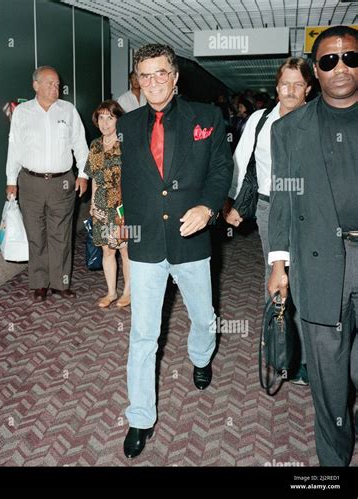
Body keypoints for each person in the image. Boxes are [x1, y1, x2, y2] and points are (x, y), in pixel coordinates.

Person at [118, 43, 233, 459]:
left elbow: (222, 169)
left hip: (191, 240)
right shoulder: (127, 126)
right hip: (146, 243)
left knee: (204, 318)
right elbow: (127, 182)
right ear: (138, 80)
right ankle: (139, 417)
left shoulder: (206, 117)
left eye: (161, 73)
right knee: (143, 335)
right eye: (145, 76)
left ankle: (201, 357)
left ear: (175, 76)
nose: (153, 83)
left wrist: (207, 207)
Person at [268, 25, 358, 466]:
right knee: (328, 378)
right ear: (315, 74)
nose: (341, 67)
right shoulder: (289, 130)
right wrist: (278, 264)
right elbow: (282, 201)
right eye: (329, 61)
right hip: (319, 264)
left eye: (350, 57)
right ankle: (334, 464)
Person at [225, 57, 314, 385]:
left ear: (308, 87)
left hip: (311, 212)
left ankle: (306, 357)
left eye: (297, 84)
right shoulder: (260, 121)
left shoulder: (317, 120)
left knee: (306, 280)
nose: (290, 90)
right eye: (284, 84)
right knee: (275, 275)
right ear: (276, 87)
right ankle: (281, 351)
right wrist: (229, 203)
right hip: (267, 207)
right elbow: (238, 161)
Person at [5, 66, 89, 301]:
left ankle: (61, 283)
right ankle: (40, 283)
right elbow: (14, 147)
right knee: (36, 233)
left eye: (57, 84)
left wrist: (83, 174)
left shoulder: (68, 110)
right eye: (50, 83)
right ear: (36, 85)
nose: (56, 88)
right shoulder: (22, 112)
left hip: (62, 182)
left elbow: (80, 145)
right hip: (29, 182)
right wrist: (11, 180)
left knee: (61, 234)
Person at [85, 100, 130, 308]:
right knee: (107, 250)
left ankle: (128, 292)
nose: (105, 123)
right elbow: (94, 176)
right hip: (102, 204)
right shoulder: (94, 145)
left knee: (124, 250)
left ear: (118, 120)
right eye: (101, 117)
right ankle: (111, 292)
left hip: (122, 204)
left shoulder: (126, 144)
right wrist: (94, 202)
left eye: (110, 118)